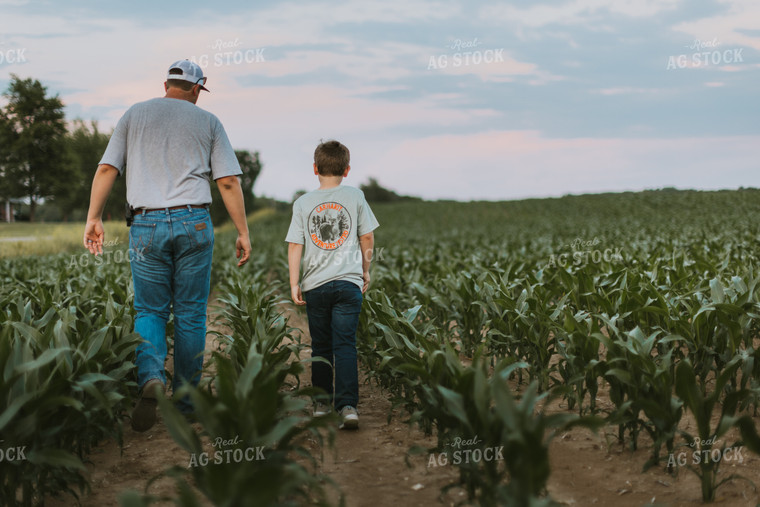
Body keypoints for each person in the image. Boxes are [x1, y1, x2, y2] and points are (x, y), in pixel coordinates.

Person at [83, 59, 251, 432]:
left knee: (149, 309)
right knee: (191, 312)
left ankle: (151, 379)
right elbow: (226, 182)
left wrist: (94, 217)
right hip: (194, 221)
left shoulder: (134, 115)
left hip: (145, 223)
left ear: (165, 84)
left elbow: (107, 168)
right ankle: (188, 401)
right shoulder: (208, 121)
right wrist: (242, 231)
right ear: (196, 89)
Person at [285, 140, 379, 429]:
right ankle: (348, 407)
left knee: (321, 346)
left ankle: (322, 403)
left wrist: (294, 283)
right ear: (347, 170)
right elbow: (367, 238)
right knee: (346, 345)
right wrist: (364, 270)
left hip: (315, 285)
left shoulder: (302, 203)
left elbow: (295, 245)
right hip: (348, 284)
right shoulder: (355, 196)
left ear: (315, 169)